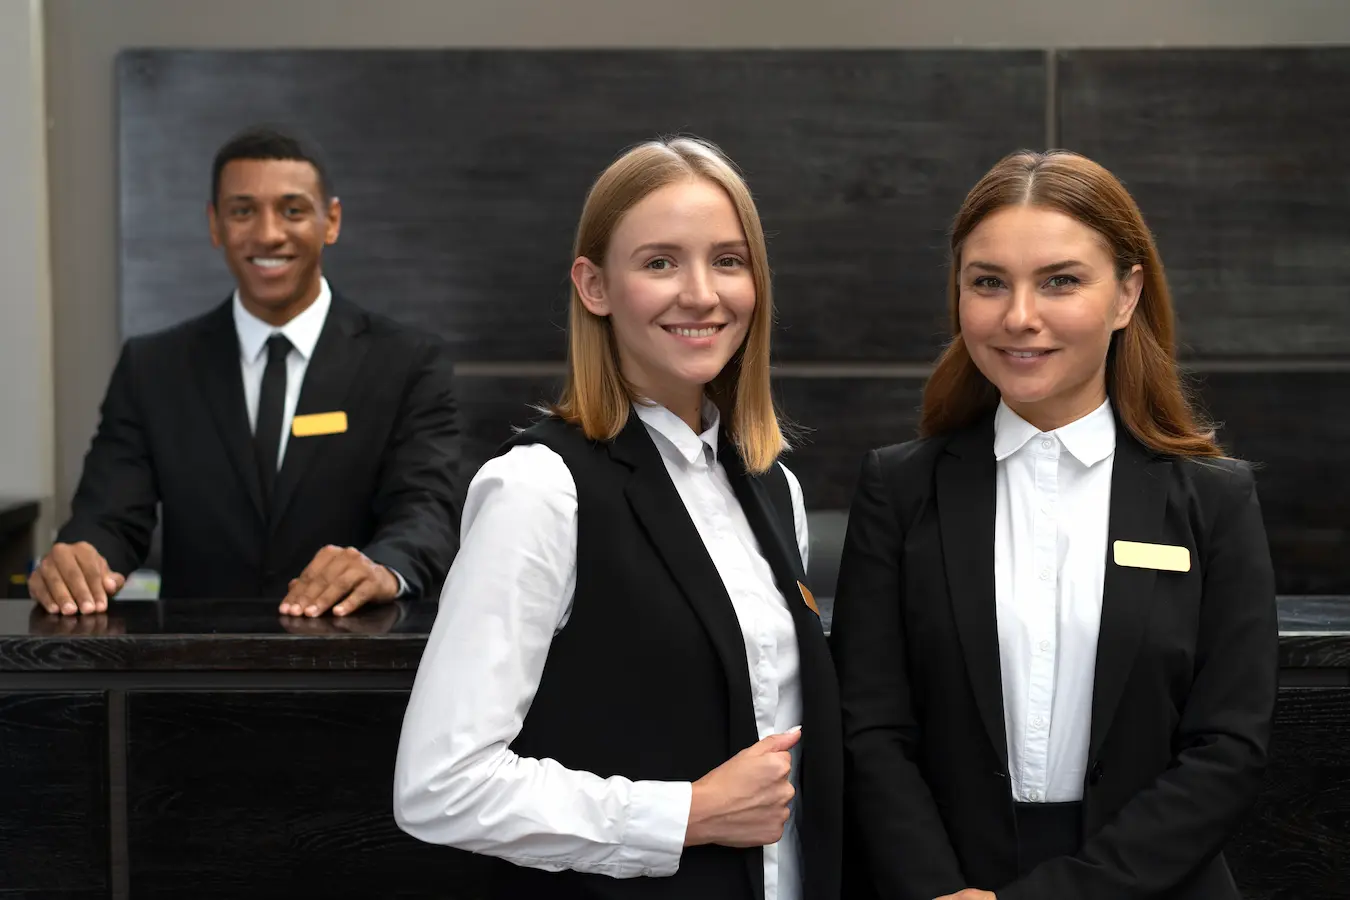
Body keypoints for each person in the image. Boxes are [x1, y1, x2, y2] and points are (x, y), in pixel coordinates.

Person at [394, 137, 842, 900]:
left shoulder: (776, 490)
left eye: (729, 262)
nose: (701, 293)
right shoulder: (539, 489)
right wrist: (685, 813)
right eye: (660, 262)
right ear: (594, 285)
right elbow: (441, 786)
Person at [830, 149, 1277, 900]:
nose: (1019, 317)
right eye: (989, 283)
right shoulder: (901, 489)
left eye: (1061, 281)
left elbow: (1226, 748)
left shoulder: (1212, 499)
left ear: (1127, 295)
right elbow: (870, 727)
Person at [30, 125, 460, 617]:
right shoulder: (153, 367)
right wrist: (80, 562)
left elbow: (427, 511)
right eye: (243, 211)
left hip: (355, 664)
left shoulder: (407, 362)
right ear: (215, 225)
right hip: (194, 671)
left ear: (331, 221)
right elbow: (107, 517)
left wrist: (382, 567)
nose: (268, 233)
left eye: (293, 210)